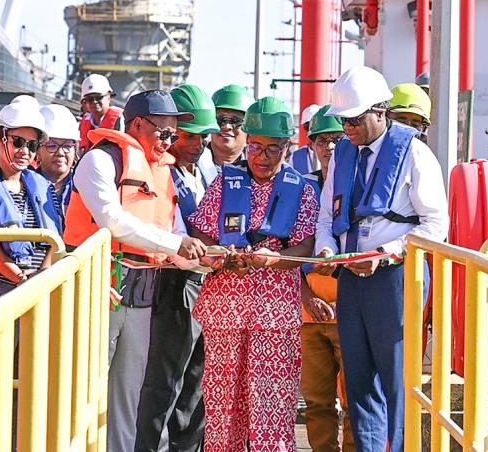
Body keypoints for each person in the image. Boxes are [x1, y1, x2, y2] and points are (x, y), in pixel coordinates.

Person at [63, 89, 207, 452]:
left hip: (143, 293)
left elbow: (174, 232)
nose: (169, 141)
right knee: (85, 387)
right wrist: (176, 246)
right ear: (138, 124)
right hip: (99, 289)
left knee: (129, 392)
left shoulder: (162, 173)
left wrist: (206, 258)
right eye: (164, 133)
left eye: (174, 135)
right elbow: (112, 221)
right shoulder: (100, 161)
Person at [313, 66, 448, 451]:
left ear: (381, 111)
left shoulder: (416, 154)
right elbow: (327, 218)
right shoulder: (342, 155)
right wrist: (327, 249)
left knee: (397, 381)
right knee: (358, 381)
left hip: (397, 279)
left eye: (356, 119)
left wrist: (387, 255)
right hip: (352, 279)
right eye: (344, 121)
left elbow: (437, 224)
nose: (349, 128)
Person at [187, 96, 319, 451]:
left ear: (288, 148)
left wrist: (273, 260)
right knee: (223, 405)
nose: (262, 156)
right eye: (256, 147)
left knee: (272, 407)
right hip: (225, 311)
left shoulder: (303, 190)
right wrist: (219, 255)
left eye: (272, 149)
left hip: (275, 314)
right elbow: (200, 230)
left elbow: (305, 248)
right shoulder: (224, 183)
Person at [0, 97, 61, 446]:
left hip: (35, 296)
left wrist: (40, 279)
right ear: (0, 138)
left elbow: (53, 242)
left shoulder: (42, 186)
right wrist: (19, 277)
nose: (24, 151)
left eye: (31, 145)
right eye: (18, 142)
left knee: (29, 383)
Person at [135, 84, 220, 452]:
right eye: (187, 135)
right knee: (165, 381)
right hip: (173, 282)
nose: (196, 144)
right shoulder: (160, 174)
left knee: (197, 382)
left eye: (203, 136)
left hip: (205, 283)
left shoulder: (203, 174)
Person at [300, 105, 355, 452]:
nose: (330, 147)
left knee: (355, 401)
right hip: (310, 316)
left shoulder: (358, 187)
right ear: (313, 145)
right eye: (323, 141)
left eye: (337, 139)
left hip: (351, 311)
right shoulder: (300, 190)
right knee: (317, 402)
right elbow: (287, 250)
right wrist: (306, 297)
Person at [201, 84, 254, 172]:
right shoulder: (192, 166)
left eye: (236, 121)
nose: (226, 127)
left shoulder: (258, 170)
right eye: (220, 120)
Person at [38, 104, 78, 213]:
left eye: (67, 145)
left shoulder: (85, 185)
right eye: (52, 145)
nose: (60, 153)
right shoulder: (24, 186)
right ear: (37, 151)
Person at [78, 73, 124, 155]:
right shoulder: (83, 123)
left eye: (98, 97)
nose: (94, 102)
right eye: (89, 99)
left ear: (109, 97)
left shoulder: (121, 119)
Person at [290, 103, 322, 174]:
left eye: (316, 126)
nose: (312, 131)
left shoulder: (333, 153)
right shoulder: (296, 157)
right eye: (308, 126)